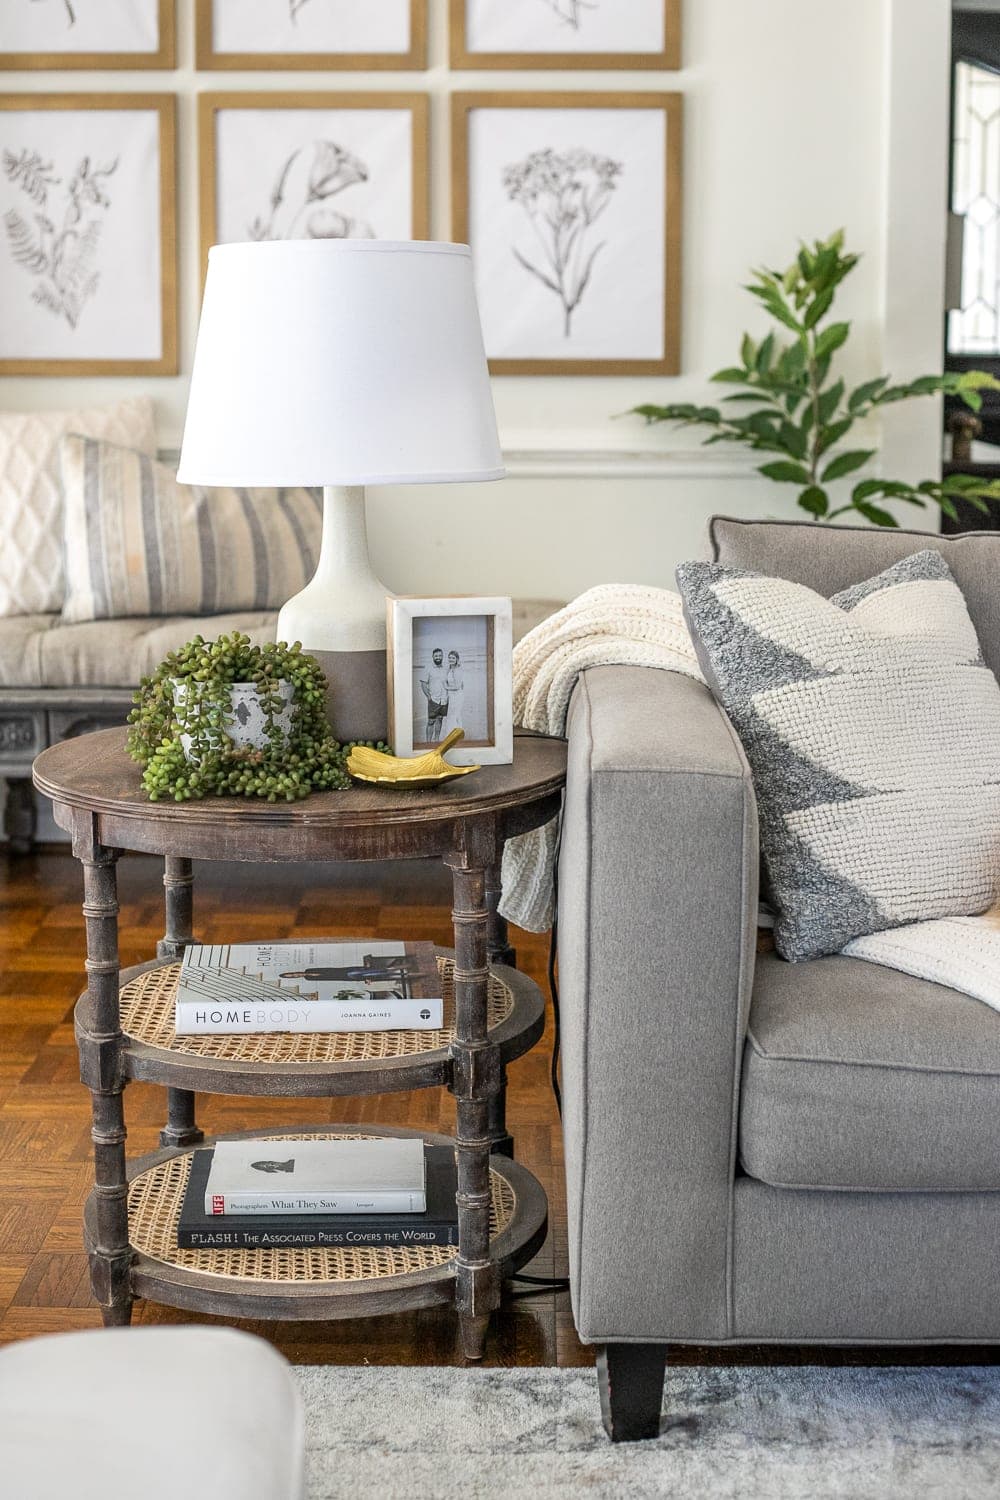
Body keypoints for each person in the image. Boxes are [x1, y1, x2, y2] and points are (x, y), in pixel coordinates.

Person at [419, 647, 448, 743]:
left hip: (444, 699)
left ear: (442, 656)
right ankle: (428, 743)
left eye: (440, 655)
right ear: (433, 656)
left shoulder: (446, 668)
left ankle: (436, 740)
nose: (438, 657)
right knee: (431, 721)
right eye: (436, 656)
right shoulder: (428, 668)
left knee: (440, 719)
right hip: (433, 700)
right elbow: (423, 684)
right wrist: (428, 696)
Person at [443, 650, 465, 736]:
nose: (451, 659)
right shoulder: (449, 668)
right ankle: (459, 733)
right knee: (456, 715)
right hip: (451, 696)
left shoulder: (458, 670)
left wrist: (446, 687)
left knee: (452, 716)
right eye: (449, 657)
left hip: (457, 696)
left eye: (453, 658)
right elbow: (446, 680)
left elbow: (457, 686)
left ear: (457, 659)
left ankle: (451, 736)